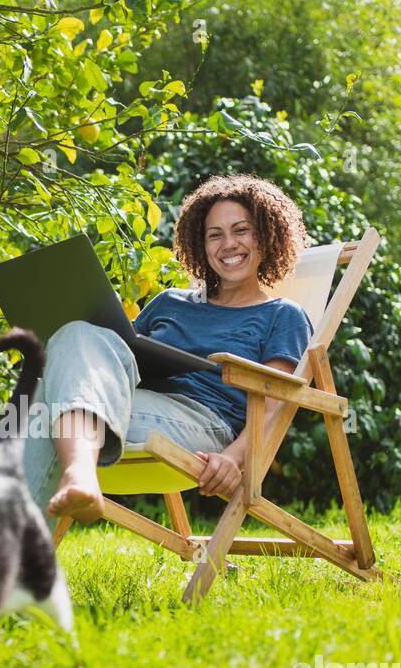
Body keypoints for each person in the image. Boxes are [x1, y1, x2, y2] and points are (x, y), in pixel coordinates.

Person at [22, 173, 314, 522]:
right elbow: (112, 358)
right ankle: (78, 474)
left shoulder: (283, 315)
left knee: (44, 410)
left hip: (203, 425)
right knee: (77, 333)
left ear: (266, 237)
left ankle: (1, 553)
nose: (228, 244)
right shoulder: (170, 302)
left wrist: (234, 459)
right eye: (214, 235)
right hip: (133, 402)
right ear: (201, 245)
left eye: (242, 230)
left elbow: (275, 408)